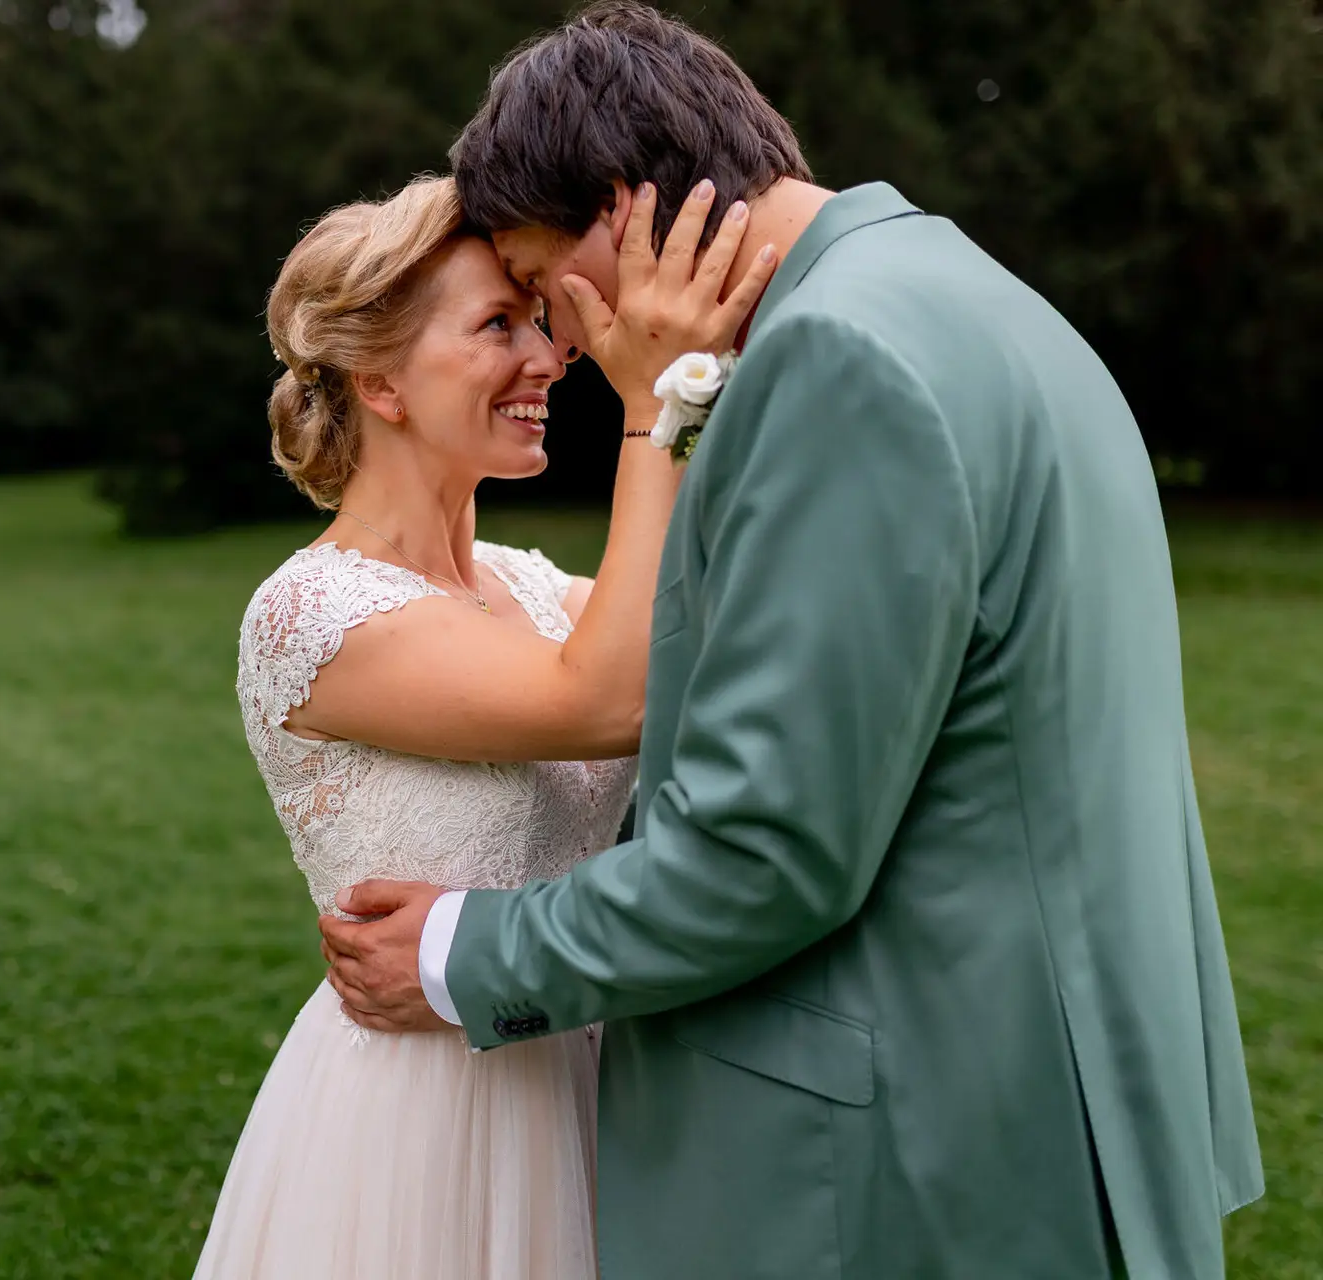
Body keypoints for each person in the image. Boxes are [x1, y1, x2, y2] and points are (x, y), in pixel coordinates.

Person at [321, 3, 1264, 1278]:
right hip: (1067, 1082)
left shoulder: (834, 363)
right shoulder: (976, 296)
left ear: (623, 211)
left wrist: (457, 951)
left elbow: (765, 849)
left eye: (546, 287)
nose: (567, 344)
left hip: (917, 1149)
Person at [193, 172, 774, 1279]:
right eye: (499, 325)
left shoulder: (532, 586)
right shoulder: (314, 614)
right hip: (429, 1123)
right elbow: (608, 699)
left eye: (538, 322)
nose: (550, 357)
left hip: (596, 1084)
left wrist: (717, 387)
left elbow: (707, 631)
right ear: (381, 381)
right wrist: (657, 405)